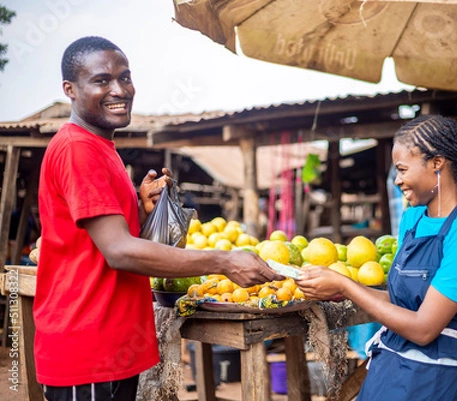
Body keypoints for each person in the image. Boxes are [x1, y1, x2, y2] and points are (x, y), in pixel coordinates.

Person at [35, 36, 281, 401]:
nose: (119, 89)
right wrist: (223, 261)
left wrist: (138, 208)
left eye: (125, 77)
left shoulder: (101, 147)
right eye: (101, 80)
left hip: (108, 346)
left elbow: (102, 235)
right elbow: (119, 251)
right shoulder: (78, 148)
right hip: (86, 350)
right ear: (69, 90)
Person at [297, 115, 457, 400]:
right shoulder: (412, 219)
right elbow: (398, 300)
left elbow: (425, 328)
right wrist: (344, 290)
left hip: (433, 380)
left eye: (402, 169)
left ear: (437, 163)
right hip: (388, 367)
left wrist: (345, 286)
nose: (399, 180)